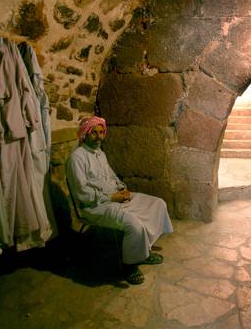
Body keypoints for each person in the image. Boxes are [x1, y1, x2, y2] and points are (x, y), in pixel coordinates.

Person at [66, 116, 173, 285]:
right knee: (134, 224)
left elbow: (112, 175)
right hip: (95, 207)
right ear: (85, 134)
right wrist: (111, 197)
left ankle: (142, 250)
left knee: (158, 204)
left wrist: (122, 189)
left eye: (101, 132)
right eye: (94, 133)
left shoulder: (100, 153)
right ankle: (129, 264)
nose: (99, 136)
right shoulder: (76, 159)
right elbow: (83, 195)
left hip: (116, 196)